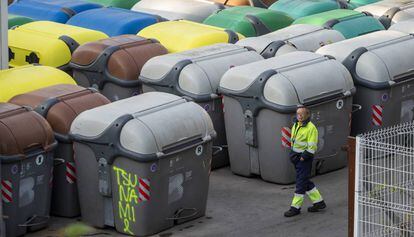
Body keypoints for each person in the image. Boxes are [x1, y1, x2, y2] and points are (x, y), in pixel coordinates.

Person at [284, 105, 326, 217]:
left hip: (304, 159)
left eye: (302, 114)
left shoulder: (311, 128)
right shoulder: (296, 124)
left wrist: (303, 157)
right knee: (305, 180)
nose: (300, 116)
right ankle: (319, 203)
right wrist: (293, 155)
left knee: (300, 183)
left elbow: (312, 146)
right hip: (297, 158)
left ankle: (295, 208)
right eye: (298, 114)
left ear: (308, 115)